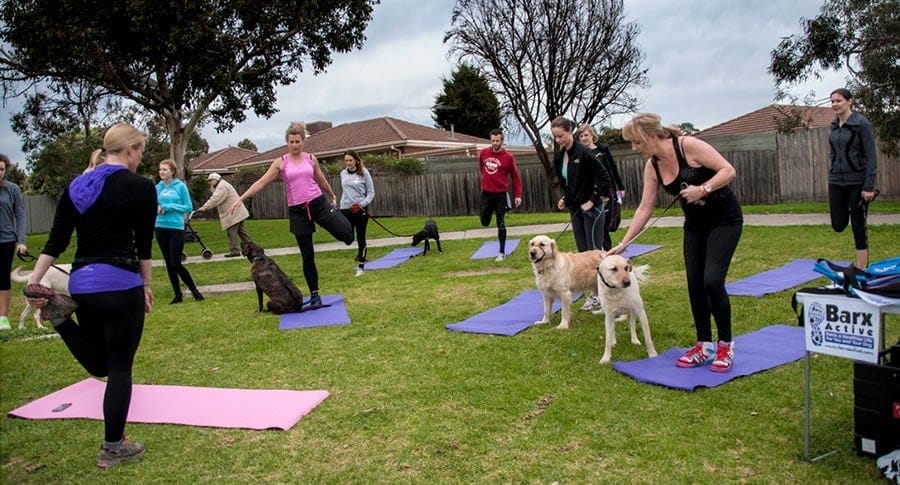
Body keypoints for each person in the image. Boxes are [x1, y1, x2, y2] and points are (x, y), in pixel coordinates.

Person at [23, 123, 157, 467]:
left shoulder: (77, 186)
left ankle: (62, 318)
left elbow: (56, 241)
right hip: (119, 282)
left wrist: (34, 281)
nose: (140, 158)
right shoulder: (141, 187)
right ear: (130, 149)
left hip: (82, 282)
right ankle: (113, 447)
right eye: (140, 151)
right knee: (119, 369)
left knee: (100, 363)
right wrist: (146, 285)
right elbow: (144, 246)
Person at [612, 113, 743, 372]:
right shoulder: (652, 166)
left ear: (650, 136)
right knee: (694, 283)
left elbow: (728, 170)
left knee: (712, 281)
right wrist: (624, 242)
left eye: (636, 142)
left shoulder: (687, 146)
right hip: (695, 226)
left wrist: (703, 189)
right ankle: (704, 344)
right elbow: (645, 207)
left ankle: (725, 345)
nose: (634, 148)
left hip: (724, 220)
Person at [233, 121, 353, 309]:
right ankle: (315, 296)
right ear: (287, 142)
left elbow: (320, 179)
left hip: (318, 204)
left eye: (298, 141)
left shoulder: (311, 159)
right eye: (291, 142)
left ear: (303, 141)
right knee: (307, 255)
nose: (294, 145)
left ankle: (337, 220)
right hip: (298, 211)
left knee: (348, 236)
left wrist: (332, 196)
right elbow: (262, 182)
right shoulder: (281, 162)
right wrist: (241, 198)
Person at [550, 116, 612, 312]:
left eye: (561, 136)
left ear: (570, 131)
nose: (558, 140)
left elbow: (604, 179)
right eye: (555, 137)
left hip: (592, 209)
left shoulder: (584, 153)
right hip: (576, 209)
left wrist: (592, 201)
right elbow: (566, 183)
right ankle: (594, 295)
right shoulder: (560, 156)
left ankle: (605, 295)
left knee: (595, 253)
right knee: (582, 255)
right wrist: (565, 199)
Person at [827, 88, 878, 269]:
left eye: (838, 101)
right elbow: (833, 152)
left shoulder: (861, 124)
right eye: (832, 101)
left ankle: (861, 267)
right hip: (836, 181)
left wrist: (869, 186)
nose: (834, 104)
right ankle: (855, 212)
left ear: (850, 101)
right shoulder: (833, 126)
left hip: (857, 181)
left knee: (858, 224)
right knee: (838, 224)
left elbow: (871, 156)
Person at [154, 160, 203, 304]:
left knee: (176, 263)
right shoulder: (158, 188)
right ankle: (177, 295)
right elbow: (153, 203)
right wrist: (156, 207)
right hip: (160, 226)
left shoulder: (180, 187)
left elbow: (187, 207)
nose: (162, 172)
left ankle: (195, 290)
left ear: (172, 171)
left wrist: (168, 206)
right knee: (168, 263)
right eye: (160, 170)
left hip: (176, 227)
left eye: (165, 169)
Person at [478, 128, 523, 262]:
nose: (495, 143)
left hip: (500, 195)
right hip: (486, 193)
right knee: (484, 222)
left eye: (497, 141)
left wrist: (518, 195)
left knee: (501, 223)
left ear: (502, 141)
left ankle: (502, 252)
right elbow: (481, 167)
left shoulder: (508, 157)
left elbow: (515, 177)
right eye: (493, 141)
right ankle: (486, 215)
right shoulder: (484, 153)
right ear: (490, 141)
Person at [578, 124, 625, 251]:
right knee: (599, 222)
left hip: (607, 189)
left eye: (586, 135)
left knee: (608, 221)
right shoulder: (580, 154)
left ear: (592, 135)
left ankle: (605, 248)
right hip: (592, 192)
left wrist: (620, 187)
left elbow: (612, 168)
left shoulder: (602, 150)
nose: (584, 138)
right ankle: (604, 249)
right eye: (581, 136)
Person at [195, 173, 253, 257]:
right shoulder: (222, 185)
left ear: (215, 179)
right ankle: (253, 248)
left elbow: (215, 199)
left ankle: (235, 251)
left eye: (210, 181)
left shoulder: (222, 187)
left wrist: (204, 207)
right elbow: (216, 196)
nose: (209, 183)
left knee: (231, 232)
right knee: (241, 232)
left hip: (234, 213)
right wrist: (212, 189)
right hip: (237, 211)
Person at [0, 154, 27, 331]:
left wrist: (21, 241)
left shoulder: (12, 189)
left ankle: (3, 318)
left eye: (1, 169)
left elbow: (21, 215)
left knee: (2, 278)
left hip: (6, 240)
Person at [339, 150, 375, 277]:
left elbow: (371, 193)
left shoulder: (364, 173)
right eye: (346, 161)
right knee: (347, 236)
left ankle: (361, 265)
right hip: (345, 209)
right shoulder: (342, 173)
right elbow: (345, 192)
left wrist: (361, 204)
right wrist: (341, 206)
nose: (348, 163)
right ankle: (359, 255)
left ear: (356, 161)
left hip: (360, 210)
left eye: (350, 160)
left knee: (361, 238)